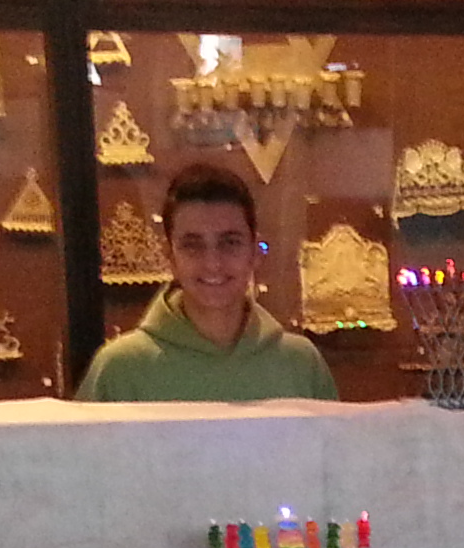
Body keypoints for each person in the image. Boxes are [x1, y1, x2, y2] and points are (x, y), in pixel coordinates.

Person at [74, 161, 340, 404]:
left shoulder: (301, 365)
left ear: (255, 252)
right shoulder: (119, 370)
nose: (213, 263)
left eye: (230, 243)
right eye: (193, 245)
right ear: (170, 257)